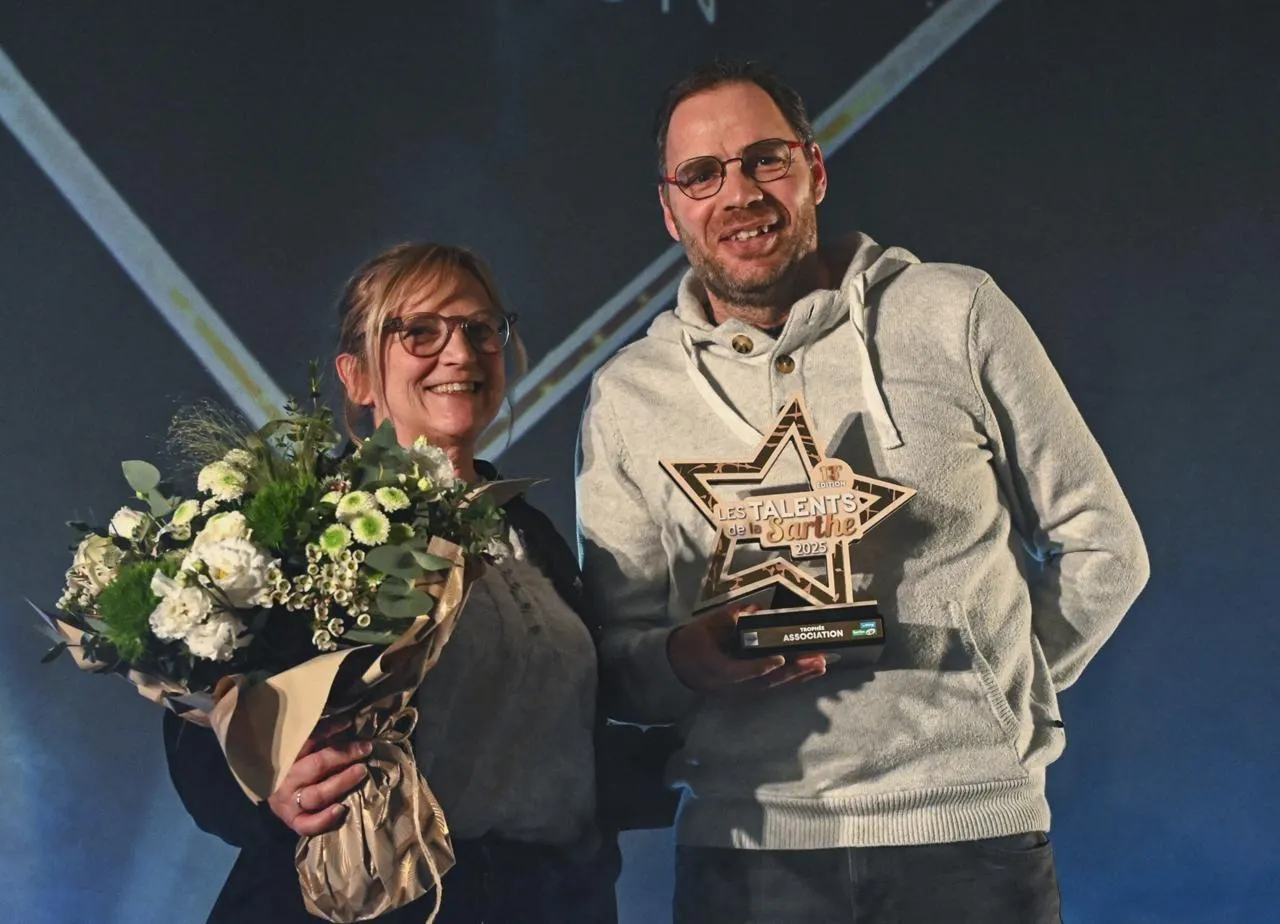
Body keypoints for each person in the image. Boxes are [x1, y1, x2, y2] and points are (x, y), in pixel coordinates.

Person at [576, 61, 1151, 923]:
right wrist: (680, 661)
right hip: (747, 850)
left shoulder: (954, 313)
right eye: (701, 174)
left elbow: (1104, 546)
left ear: (813, 168)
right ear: (670, 208)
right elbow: (618, 659)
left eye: (765, 159)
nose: (739, 193)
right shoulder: (630, 395)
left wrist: (997, 695)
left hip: (971, 835)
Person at [165, 241, 675, 923]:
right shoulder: (305, 522)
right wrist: (266, 789)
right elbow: (201, 717)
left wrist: (723, 753)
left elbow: (556, 742)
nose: (460, 353)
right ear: (357, 377)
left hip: (545, 902)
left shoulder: (532, 535)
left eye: (480, 329)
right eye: (420, 332)